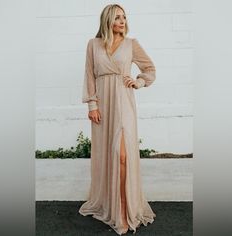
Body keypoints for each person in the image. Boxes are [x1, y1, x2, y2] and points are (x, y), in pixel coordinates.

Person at [79, 3, 157, 235]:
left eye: (124, 17)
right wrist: (92, 104)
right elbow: (89, 75)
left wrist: (139, 81)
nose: (122, 21)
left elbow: (150, 68)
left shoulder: (132, 44)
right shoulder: (93, 45)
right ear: (107, 21)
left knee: (123, 156)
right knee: (107, 154)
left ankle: (123, 211)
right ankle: (109, 205)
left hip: (123, 101)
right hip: (103, 102)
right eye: (117, 18)